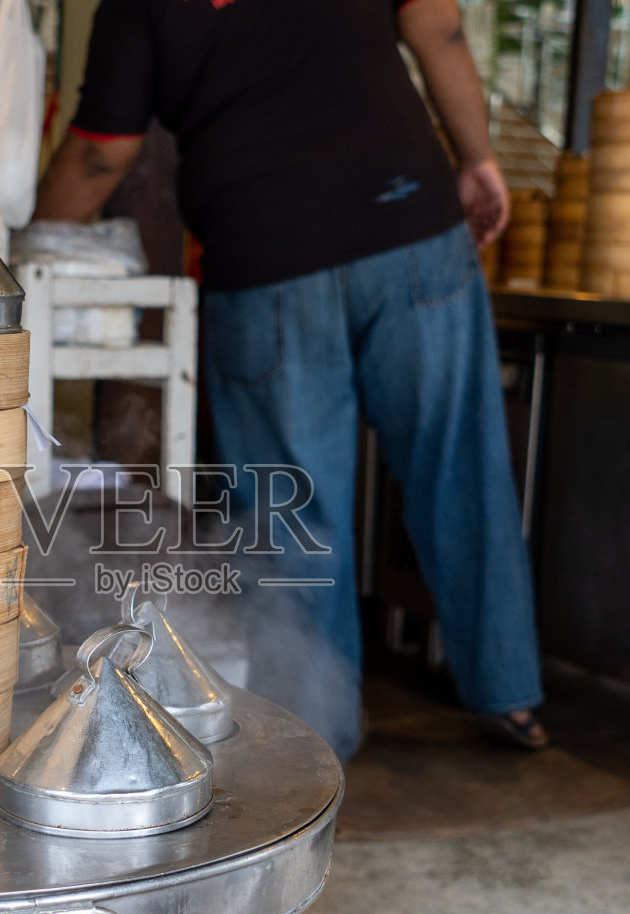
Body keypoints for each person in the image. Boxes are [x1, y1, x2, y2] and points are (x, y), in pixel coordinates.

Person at [32, 0, 547, 758]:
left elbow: (102, 151)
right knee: (460, 464)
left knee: (295, 515)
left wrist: (22, 257)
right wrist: (478, 159)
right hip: (411, 227)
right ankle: (511, 694)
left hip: (269, 257)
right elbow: (437, 25)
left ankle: (314, 736)